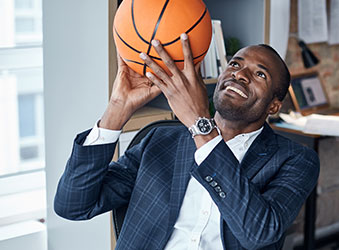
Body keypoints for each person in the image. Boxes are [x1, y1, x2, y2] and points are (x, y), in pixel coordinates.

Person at [54, 33, 319, 250]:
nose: (240, 75)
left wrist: (199, 125)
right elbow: (73, 206)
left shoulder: (296, 159)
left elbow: (259, 233)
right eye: (235, 64)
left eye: (260, 74)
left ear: (274, 105)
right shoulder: (159, 140)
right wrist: (116, 110)